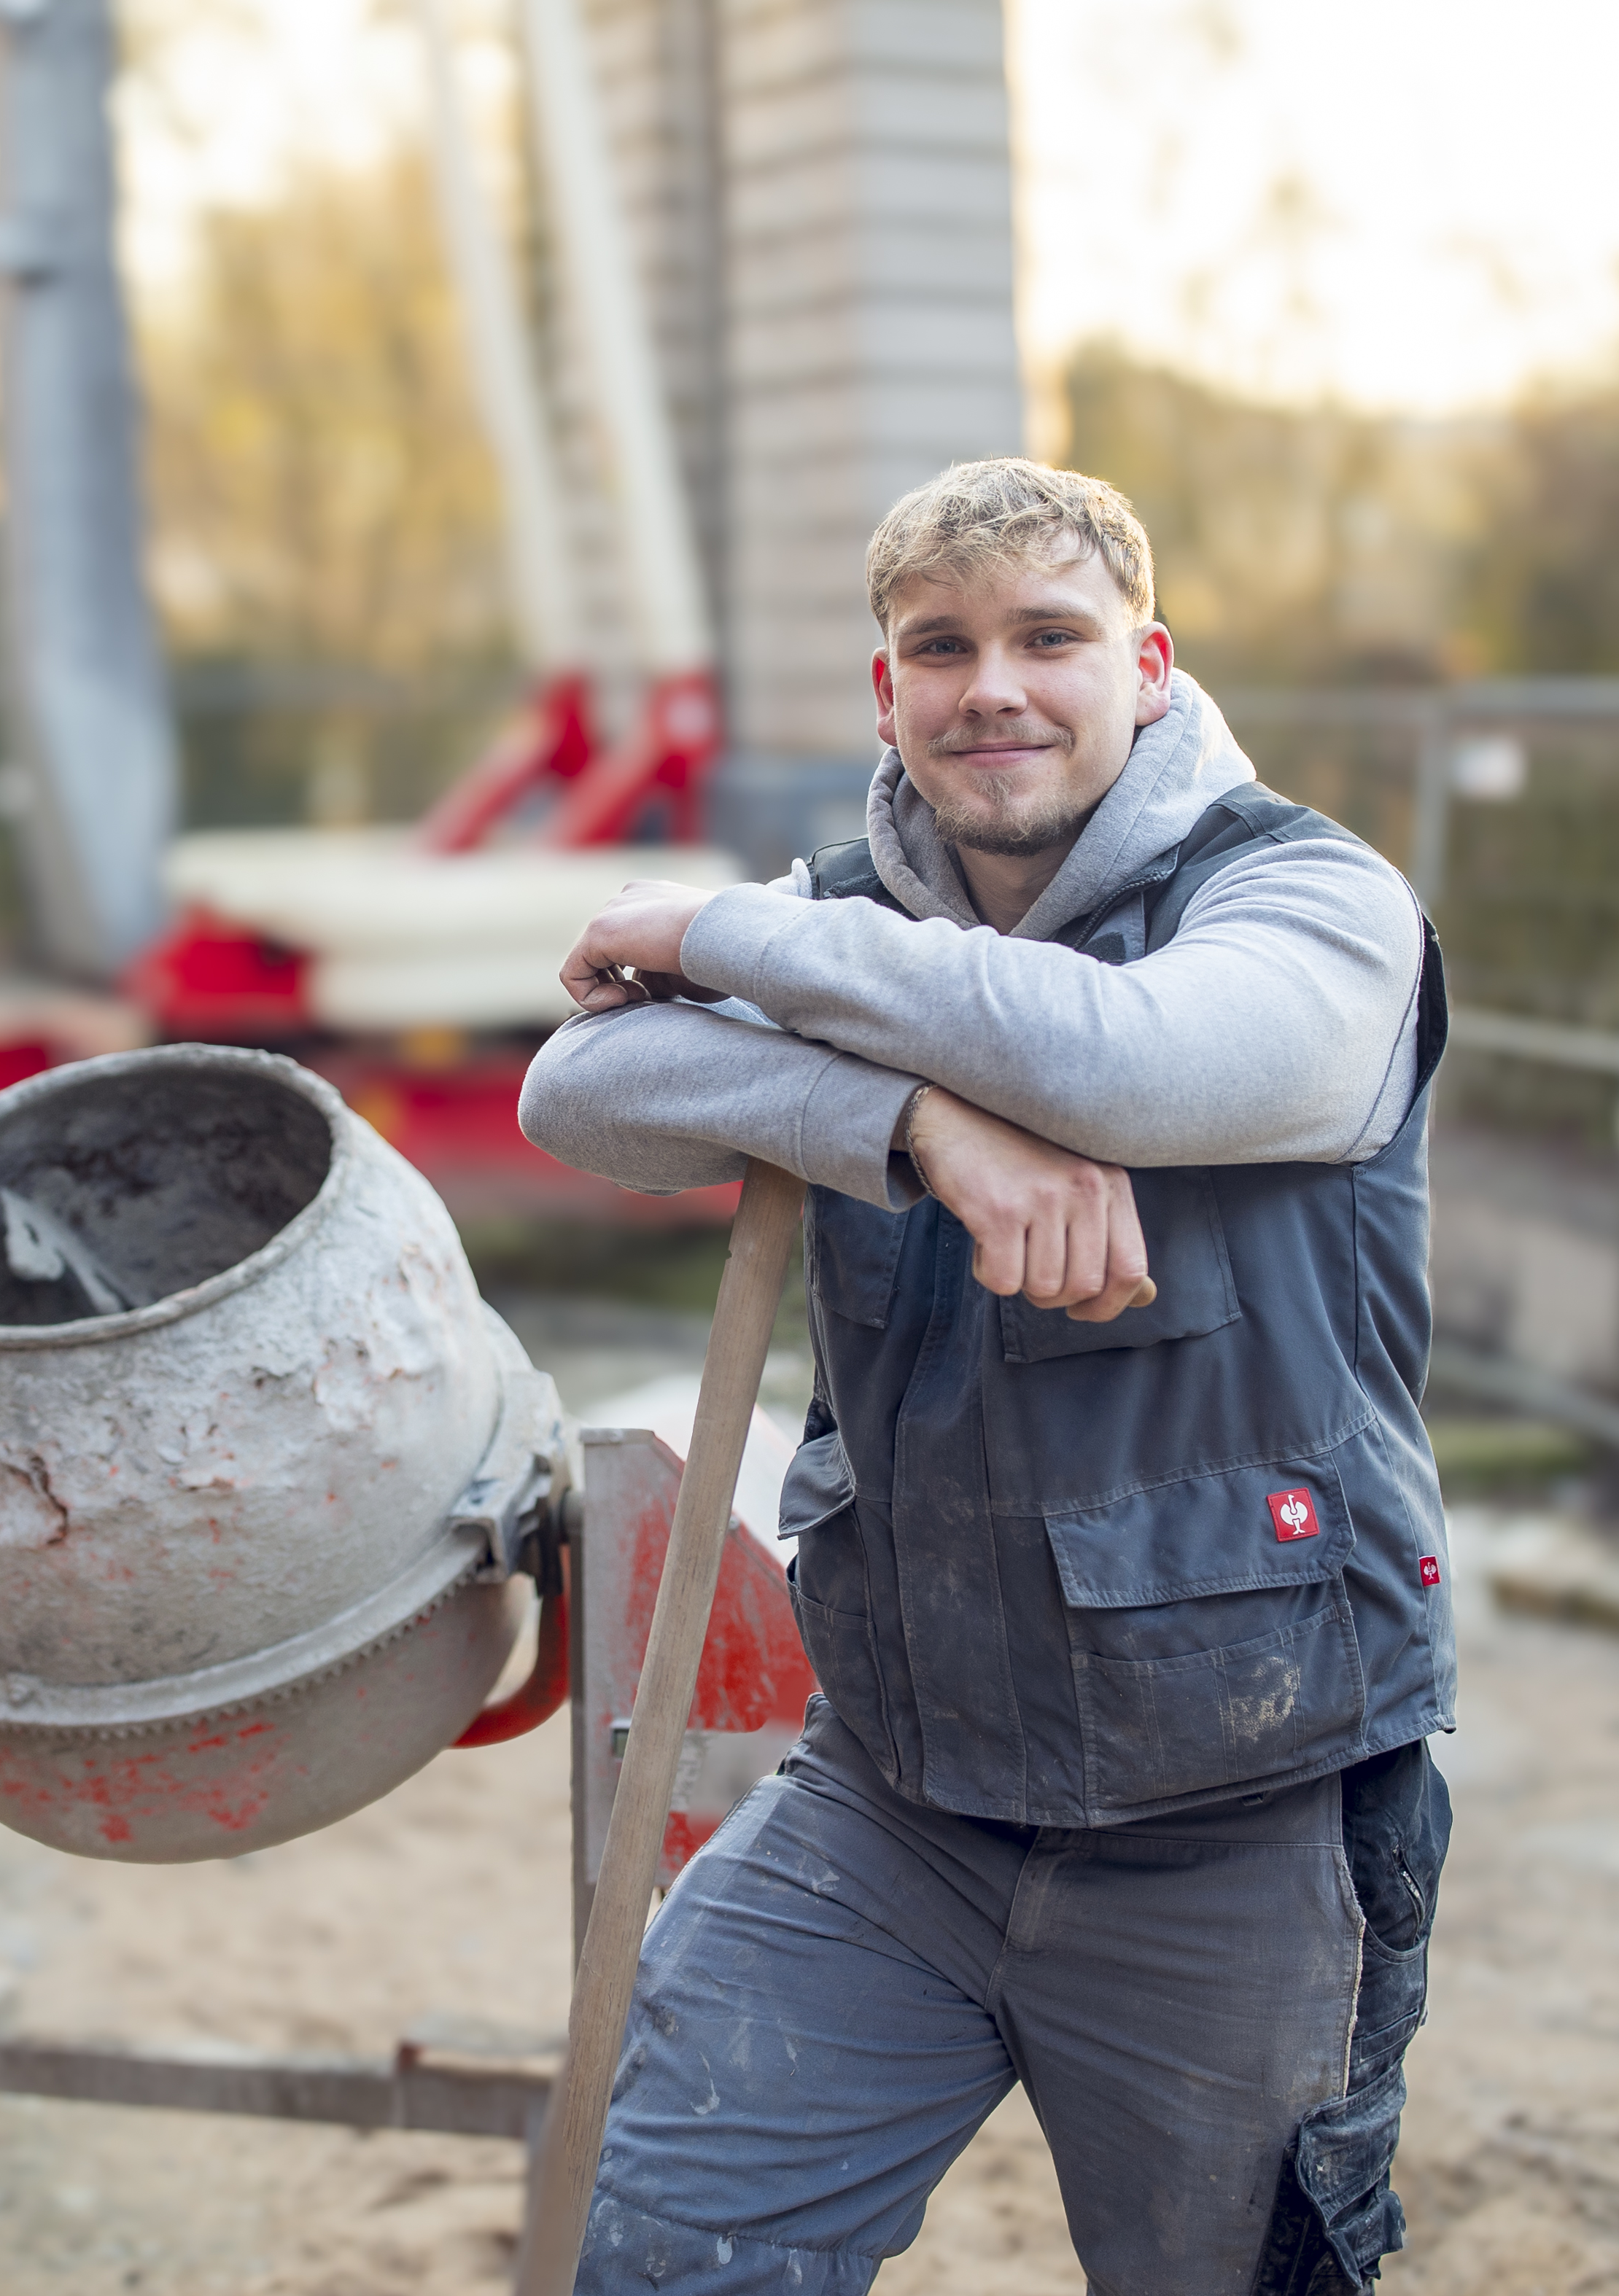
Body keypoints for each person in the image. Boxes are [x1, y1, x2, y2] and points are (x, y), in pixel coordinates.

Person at [519, 456, 1456, 2295]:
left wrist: (718, 935)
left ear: (1151, 667)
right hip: (893, 1798)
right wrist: (914, 1125)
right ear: (888, 694)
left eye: (1049, 638)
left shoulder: (1314, 910)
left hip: (1241, 1827)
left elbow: (1126, 1067)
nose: (991, 689)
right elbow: (584, 1092)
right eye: (936, 649)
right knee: (670, 2249)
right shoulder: (861, 915)